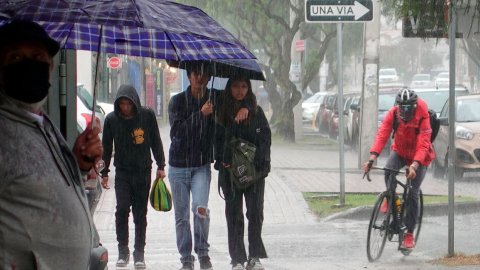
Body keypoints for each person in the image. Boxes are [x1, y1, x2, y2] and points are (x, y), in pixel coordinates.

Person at [0, 20, 103, 269]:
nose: (27, 64)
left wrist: (78, 163)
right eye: (15, 57)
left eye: (37, 56)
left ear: (50, 67)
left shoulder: (43, 123)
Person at [168, 63, 249, 270]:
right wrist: (201, 114)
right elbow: (177, 132)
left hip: (201, 165)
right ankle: (186, 258)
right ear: (189, 77)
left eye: (204, 75)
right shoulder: (176, 102)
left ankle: (203, 253)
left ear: (208, 77)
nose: (200, 78)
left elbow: (238, 95)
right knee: (182, 216)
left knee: (201, 209)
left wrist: (246, 107)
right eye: (196, 74)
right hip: (178, 166)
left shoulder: (215, 97)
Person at [101, 84, 166, 269]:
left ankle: (139, 253)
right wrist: (104, 171)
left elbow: (155, 140)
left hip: (143, 171)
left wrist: (161, 165)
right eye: (121, 104)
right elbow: (106, 147)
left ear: (134, 102)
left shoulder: (147, 115)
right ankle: (123, 250)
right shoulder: (111, 120)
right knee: (121, 209)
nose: (125, 108)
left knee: (140, 213)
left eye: (128, 104)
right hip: (122, 172)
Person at [363, 88, 435, 250]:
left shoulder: (423, 116)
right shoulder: (393, 114)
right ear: (398, 106)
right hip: (401, 151)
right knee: (388, 170)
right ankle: (391, 198)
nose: (405, 110)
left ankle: (409, 234)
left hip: (420, 158)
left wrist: (414, 166)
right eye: (402, 106)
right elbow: (382, 134)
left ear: (415, 106)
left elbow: (424, 145)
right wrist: (372, 158)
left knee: (412, 193)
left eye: (409, 107)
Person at [215, 77, 271, 270]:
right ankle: (237, 258)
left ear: (249, 89)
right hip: (229, 172)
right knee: (234, 215)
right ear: (229, 87)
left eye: (244, 86)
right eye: (235, 86)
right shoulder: (221, 111)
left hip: (254, 173)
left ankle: (254, 256)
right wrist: (234, 119)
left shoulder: (256, 112)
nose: (239, 90)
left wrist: (264, 164)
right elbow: (217, 139)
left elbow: (265, 139)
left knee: (255, 213)